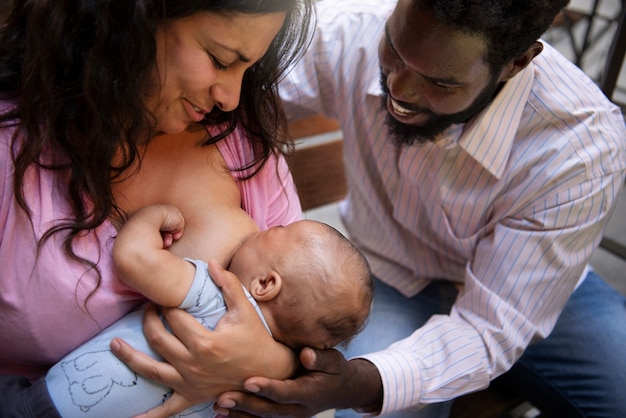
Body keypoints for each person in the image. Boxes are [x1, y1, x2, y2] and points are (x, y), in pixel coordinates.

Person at [111, 0, 626, 417]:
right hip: (385, 282)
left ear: (516, 64)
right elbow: (232, 94)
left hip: (534, 298)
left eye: (440, 83)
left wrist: (353, 383)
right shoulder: (351, 37)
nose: (398, 89)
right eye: (395, 51)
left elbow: (493, 331)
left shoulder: (580, 147)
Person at [0, 0, 316, 416]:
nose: (231, 98)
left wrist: (270, 363)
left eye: (247, 68)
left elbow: (311, 309)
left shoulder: (241, 141)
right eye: (221, 60)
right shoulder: (12, 149)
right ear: (133, 19)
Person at [45, 203, 373, 417]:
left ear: (265, 284)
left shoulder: (213, 292)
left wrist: (152, 217)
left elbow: (134, 260)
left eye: (275, 232)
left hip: (50, 403)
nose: (262, 228)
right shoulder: (258, 381)